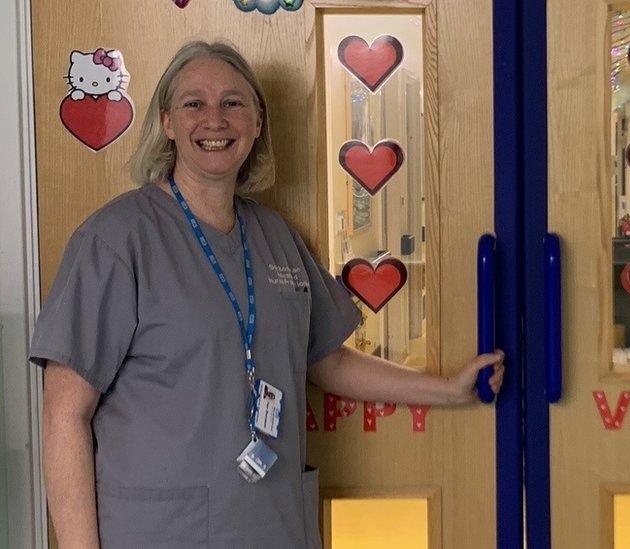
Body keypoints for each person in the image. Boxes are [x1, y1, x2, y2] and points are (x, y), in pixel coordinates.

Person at [30, 40, 504, 549]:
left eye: (234, 103)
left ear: (257, 123)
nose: (215, 119)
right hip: (161, 531)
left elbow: (328, 362)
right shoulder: (117, 240)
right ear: (167, 122)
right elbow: (65, 413)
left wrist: (448, 388)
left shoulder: (275, 236)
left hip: (272, 525)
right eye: (194, 104)